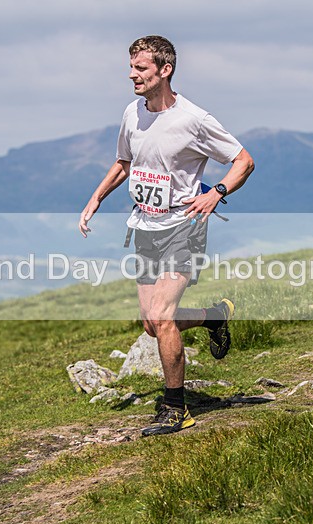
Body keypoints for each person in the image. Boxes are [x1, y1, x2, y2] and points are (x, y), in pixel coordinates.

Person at [79, 35, 254, 436]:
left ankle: (176, 408)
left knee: (162, 316)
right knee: (151, 324)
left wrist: (216, 193)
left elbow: (244, 161)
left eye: (141, 68)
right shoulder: (132, 114)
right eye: (131, 67)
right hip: (145, 226)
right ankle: (214, 317)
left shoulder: (194, 119)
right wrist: (96, 198)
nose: (132, 75)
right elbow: (125, 162)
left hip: (184, 226)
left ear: (165, 70)